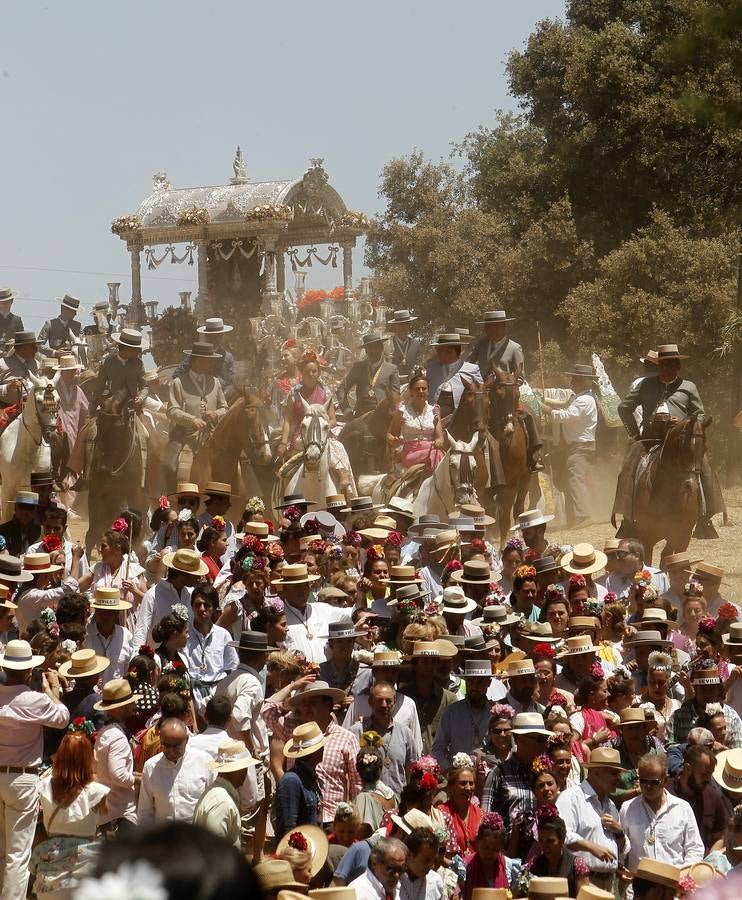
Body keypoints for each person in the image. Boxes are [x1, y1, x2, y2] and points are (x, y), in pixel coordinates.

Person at [615, 342, 723, 536]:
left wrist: (682, 422)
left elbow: (699, 414)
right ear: (658, 366)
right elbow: (624, 408)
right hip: (650, 439)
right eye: (662, 365)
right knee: (627, 469)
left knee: (704, 466)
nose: (665, 368)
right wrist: (635, 433)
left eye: (670, 365)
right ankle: (628, 520)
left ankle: (705, 518)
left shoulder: (688, 387)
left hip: (681, 443)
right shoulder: (645, 385)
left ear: (677, 366)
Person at [0, 639, 70, 900]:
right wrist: (50, 688)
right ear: (29, 671)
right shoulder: (34, 700)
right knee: (17, 855)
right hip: (21, 780)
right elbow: (62, 717)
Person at [31, 727, 110, 900]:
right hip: (84, 877)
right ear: (86, 759)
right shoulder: (96, 792)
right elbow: (106, 815)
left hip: (49, 878)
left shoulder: (43, 786)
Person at [275, 349, 356, 493]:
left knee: (337, 446)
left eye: (314, 371)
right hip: (302, 435)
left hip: (322, 435)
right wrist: (283, 442)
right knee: (285, 469)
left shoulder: (325, 392)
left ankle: (344, 482)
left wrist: (322, 426)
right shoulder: (294, 393)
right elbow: (287, 420)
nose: (311, 375)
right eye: (307, 372)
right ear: (302, 373)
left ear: (318, 372)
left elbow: (333, 419)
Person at [555, 747, 629, 893]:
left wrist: (620, 833)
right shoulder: (571, 798)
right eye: (614, 773)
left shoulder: (611, 805)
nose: (618, 778)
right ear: (596, 772)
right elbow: (562, 835)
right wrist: (592, 847)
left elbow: (622, 852)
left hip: (609, 884)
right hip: (582, 881)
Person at [619, 751, 704, 869]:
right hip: (638, 884)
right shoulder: (627, 808)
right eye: (643, 781)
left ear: (665, 780)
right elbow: (621, 849)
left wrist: (682, 876)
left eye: (654, 782)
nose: (648, 786)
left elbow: (695, 848)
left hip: (673, 883)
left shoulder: (682, 808)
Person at [163, 341, 228, 489]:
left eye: (211, 360)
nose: (211, 363)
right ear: (196, 360)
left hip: (212, 436)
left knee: (240, 459)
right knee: (169, 464)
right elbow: (172, 410)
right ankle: (171, 498)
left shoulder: (215, 382)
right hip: (186, 437)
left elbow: (225, 408)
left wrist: (216, 413)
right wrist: (192, 419)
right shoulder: (178, 383)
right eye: (208, 359)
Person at [542, 364, 598, 528]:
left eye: (575, 378)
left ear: (582, 380)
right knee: (572, 480)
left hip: (579, 446)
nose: (572, 381)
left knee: (575, 480)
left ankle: (584, 516)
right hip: (577, 446)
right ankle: (575, 517)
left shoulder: (583, 400)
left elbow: (567, 415)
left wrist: (548, 411)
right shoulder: (581, 398)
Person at [137, 718, 214, 826]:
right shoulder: (151, 767)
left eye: (176, 746)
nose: (171, 750)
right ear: (160, 740)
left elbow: (213, 803)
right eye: (166, 745)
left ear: (187, 740)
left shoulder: (204, 761)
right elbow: (145, 811)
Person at [132, 548, 208, 648]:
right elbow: (141, 631)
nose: (198, 577)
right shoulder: (153, 595)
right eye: (195, 574)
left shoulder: (191, 595)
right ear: (183, 574)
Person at [183, 582, 238, 714]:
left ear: (214, 608)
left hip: (218, 696)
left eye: (207, 605)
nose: (202, 609)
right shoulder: (184, 634)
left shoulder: (223, 634)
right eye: (197, 604)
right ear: (191, 606)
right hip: (191, 696)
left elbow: (232, 667)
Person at [192, 738, 257, 849]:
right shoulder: (222, 802)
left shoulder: (217, 793)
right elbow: (215, 851)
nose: (246, 773)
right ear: (239, 771)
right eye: (245, 769)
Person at [93, 678, 140, 831]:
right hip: (120, 813)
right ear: (121, 708)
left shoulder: (106, 731)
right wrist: (136, 780)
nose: (134, 705)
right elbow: (118, 775)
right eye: (130, 703)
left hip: (108, 809)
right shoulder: (117, 736)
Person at [665, 743, 728, 852]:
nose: (708, 779)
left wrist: (711, 858)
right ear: (687, 768)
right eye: (704, 774)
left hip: (701, 864)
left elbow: (720, 836)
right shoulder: (665, 791)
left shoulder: (713, 797)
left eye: (710, 774)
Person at [274, 721, 327, 838]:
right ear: (315, 751)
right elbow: (289, 829)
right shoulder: (291, 781)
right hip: (297, 854)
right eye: (321, 746)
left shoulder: (308, 777)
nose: (324, 748)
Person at [387, 369, 445, 474]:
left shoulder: (434, 410)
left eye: (424, 389)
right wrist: (395, 440)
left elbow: (439, 437)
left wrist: (440, 441)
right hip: (410, 452)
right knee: (436, 455)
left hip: (431, 449)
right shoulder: (402, 410)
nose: (421, 391)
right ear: (411, 391)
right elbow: (390, 435)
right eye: (417, 389)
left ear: (428, 391)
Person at [525, 806, 591, 898]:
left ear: (562, 840)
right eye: (541, 840)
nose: (544, 846)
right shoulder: (534, 863)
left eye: (550, 841)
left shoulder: (577, 865)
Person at [337, 331, 400, 416]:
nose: (373, 351)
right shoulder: (358, 367)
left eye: (376, 347)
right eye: (370, 348)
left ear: (382, 348)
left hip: (383, 417)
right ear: (366, 351)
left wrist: (392, 411)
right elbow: (342, 389)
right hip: (361, 417)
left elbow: (395, 395)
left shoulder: (392, 369)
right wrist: (347, 410)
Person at [436, 754, 484, 857]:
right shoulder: (441, 813)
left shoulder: (481, 814)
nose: (468, 788)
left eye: (471, 783)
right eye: (463, 783)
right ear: (452, 787)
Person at [82, 586, 132, 684]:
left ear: (116, 613)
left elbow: (127, 669)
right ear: (96, 612)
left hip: (117, 695)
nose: (105, 616)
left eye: (110, 612)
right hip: (92, 696)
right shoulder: (85, 636)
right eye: (102, 612)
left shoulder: (126, 636)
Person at [173, 317, 235, 393]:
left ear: (222, 336)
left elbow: (230, 382)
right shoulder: (196, 354)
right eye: (211, 336)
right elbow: (177, 374)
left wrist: (224, 393)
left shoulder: (228, 357)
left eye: (218, 336)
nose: (215, 339)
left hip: (222, 395)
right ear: (206, 336)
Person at [463, 811, 516, 899]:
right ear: (477, 843)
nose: (489, 853)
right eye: (485, 848)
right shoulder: (465, 866)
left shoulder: (508, 866)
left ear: (501, 848)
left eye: (494, 849)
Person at [425, 333, 482, 414]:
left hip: (460, 412)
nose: (437, 353)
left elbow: (481, 391)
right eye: (438, 350)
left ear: (451, 352)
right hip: (434, 410)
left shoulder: (472, 369)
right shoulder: (431, 368)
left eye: (440, 350)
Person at [350, 836, 408, 900]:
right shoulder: (357, 892)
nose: (397, 875)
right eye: (391, 869)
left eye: (401, 869)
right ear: (374, 863)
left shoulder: (402, 890)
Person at [401, 826, 446, 900]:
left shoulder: (435, 882)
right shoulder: (392, 881)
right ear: (409, 855)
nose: (431, 866)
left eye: (433, 860)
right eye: (426, 860)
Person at [38, 294, 85, 362]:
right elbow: (38, 345)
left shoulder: (78, 326)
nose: (75, 314)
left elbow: (83, 344)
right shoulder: (49, 324)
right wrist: (55, 352)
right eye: (73, 311)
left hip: (75, 363)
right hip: (54, 363)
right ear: (64, 308)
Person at [0, 492, 42, 557]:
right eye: (21, 507)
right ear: (15, 508)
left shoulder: (40, 532)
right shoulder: (3, 531)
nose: (25, 512)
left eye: (30, 508)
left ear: (35, 510)